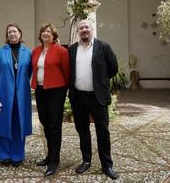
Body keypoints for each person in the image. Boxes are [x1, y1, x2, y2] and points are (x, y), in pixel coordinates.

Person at [68, 19, 119, 180]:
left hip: (98, 98)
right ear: (78, 31)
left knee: (102, 132)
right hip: (78, 98)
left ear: (92, 29)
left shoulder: (103, 47)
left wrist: (99, 82)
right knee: (83, 131)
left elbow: (113, 68)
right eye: (81, 28)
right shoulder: (72, 49)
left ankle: (107, 165)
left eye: (86, 27)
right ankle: (86, 160)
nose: (84, 30)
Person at [0, 23, 32, 167]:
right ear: (7, 36)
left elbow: (30, 72)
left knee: (18, 124)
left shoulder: (27, 52)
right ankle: (4, 156)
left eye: (15, 31)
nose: (12, 34)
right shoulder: (1, 51)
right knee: (3, 124)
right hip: (3, 94)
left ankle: (17, 156)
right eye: (9, 32)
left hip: (21, 95)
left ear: (20, 34)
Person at [31, 23, 70, 176]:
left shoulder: (61, 51)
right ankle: (49, 155)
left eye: (48, 31)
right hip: (40, 90)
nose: (45, 33)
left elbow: (67, 73)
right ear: (40, 35)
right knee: (45, 122)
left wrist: (65, 91)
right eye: (43, 31)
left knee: (54, 125)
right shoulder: (36, 51)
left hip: (56, 91)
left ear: (54, 35)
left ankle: (55, 160)